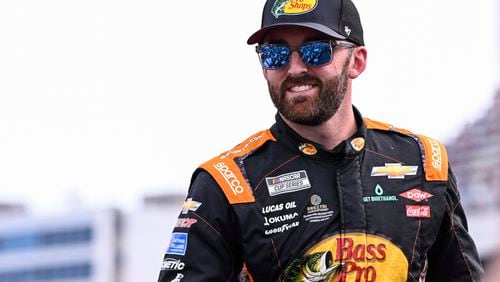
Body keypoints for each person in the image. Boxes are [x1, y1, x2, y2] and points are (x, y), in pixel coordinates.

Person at [157, 0, 485, 281]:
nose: (295, 68)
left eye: (316, 51)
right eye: (275, 54)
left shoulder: (425, 162)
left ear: (356, 61)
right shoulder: (227, 182)